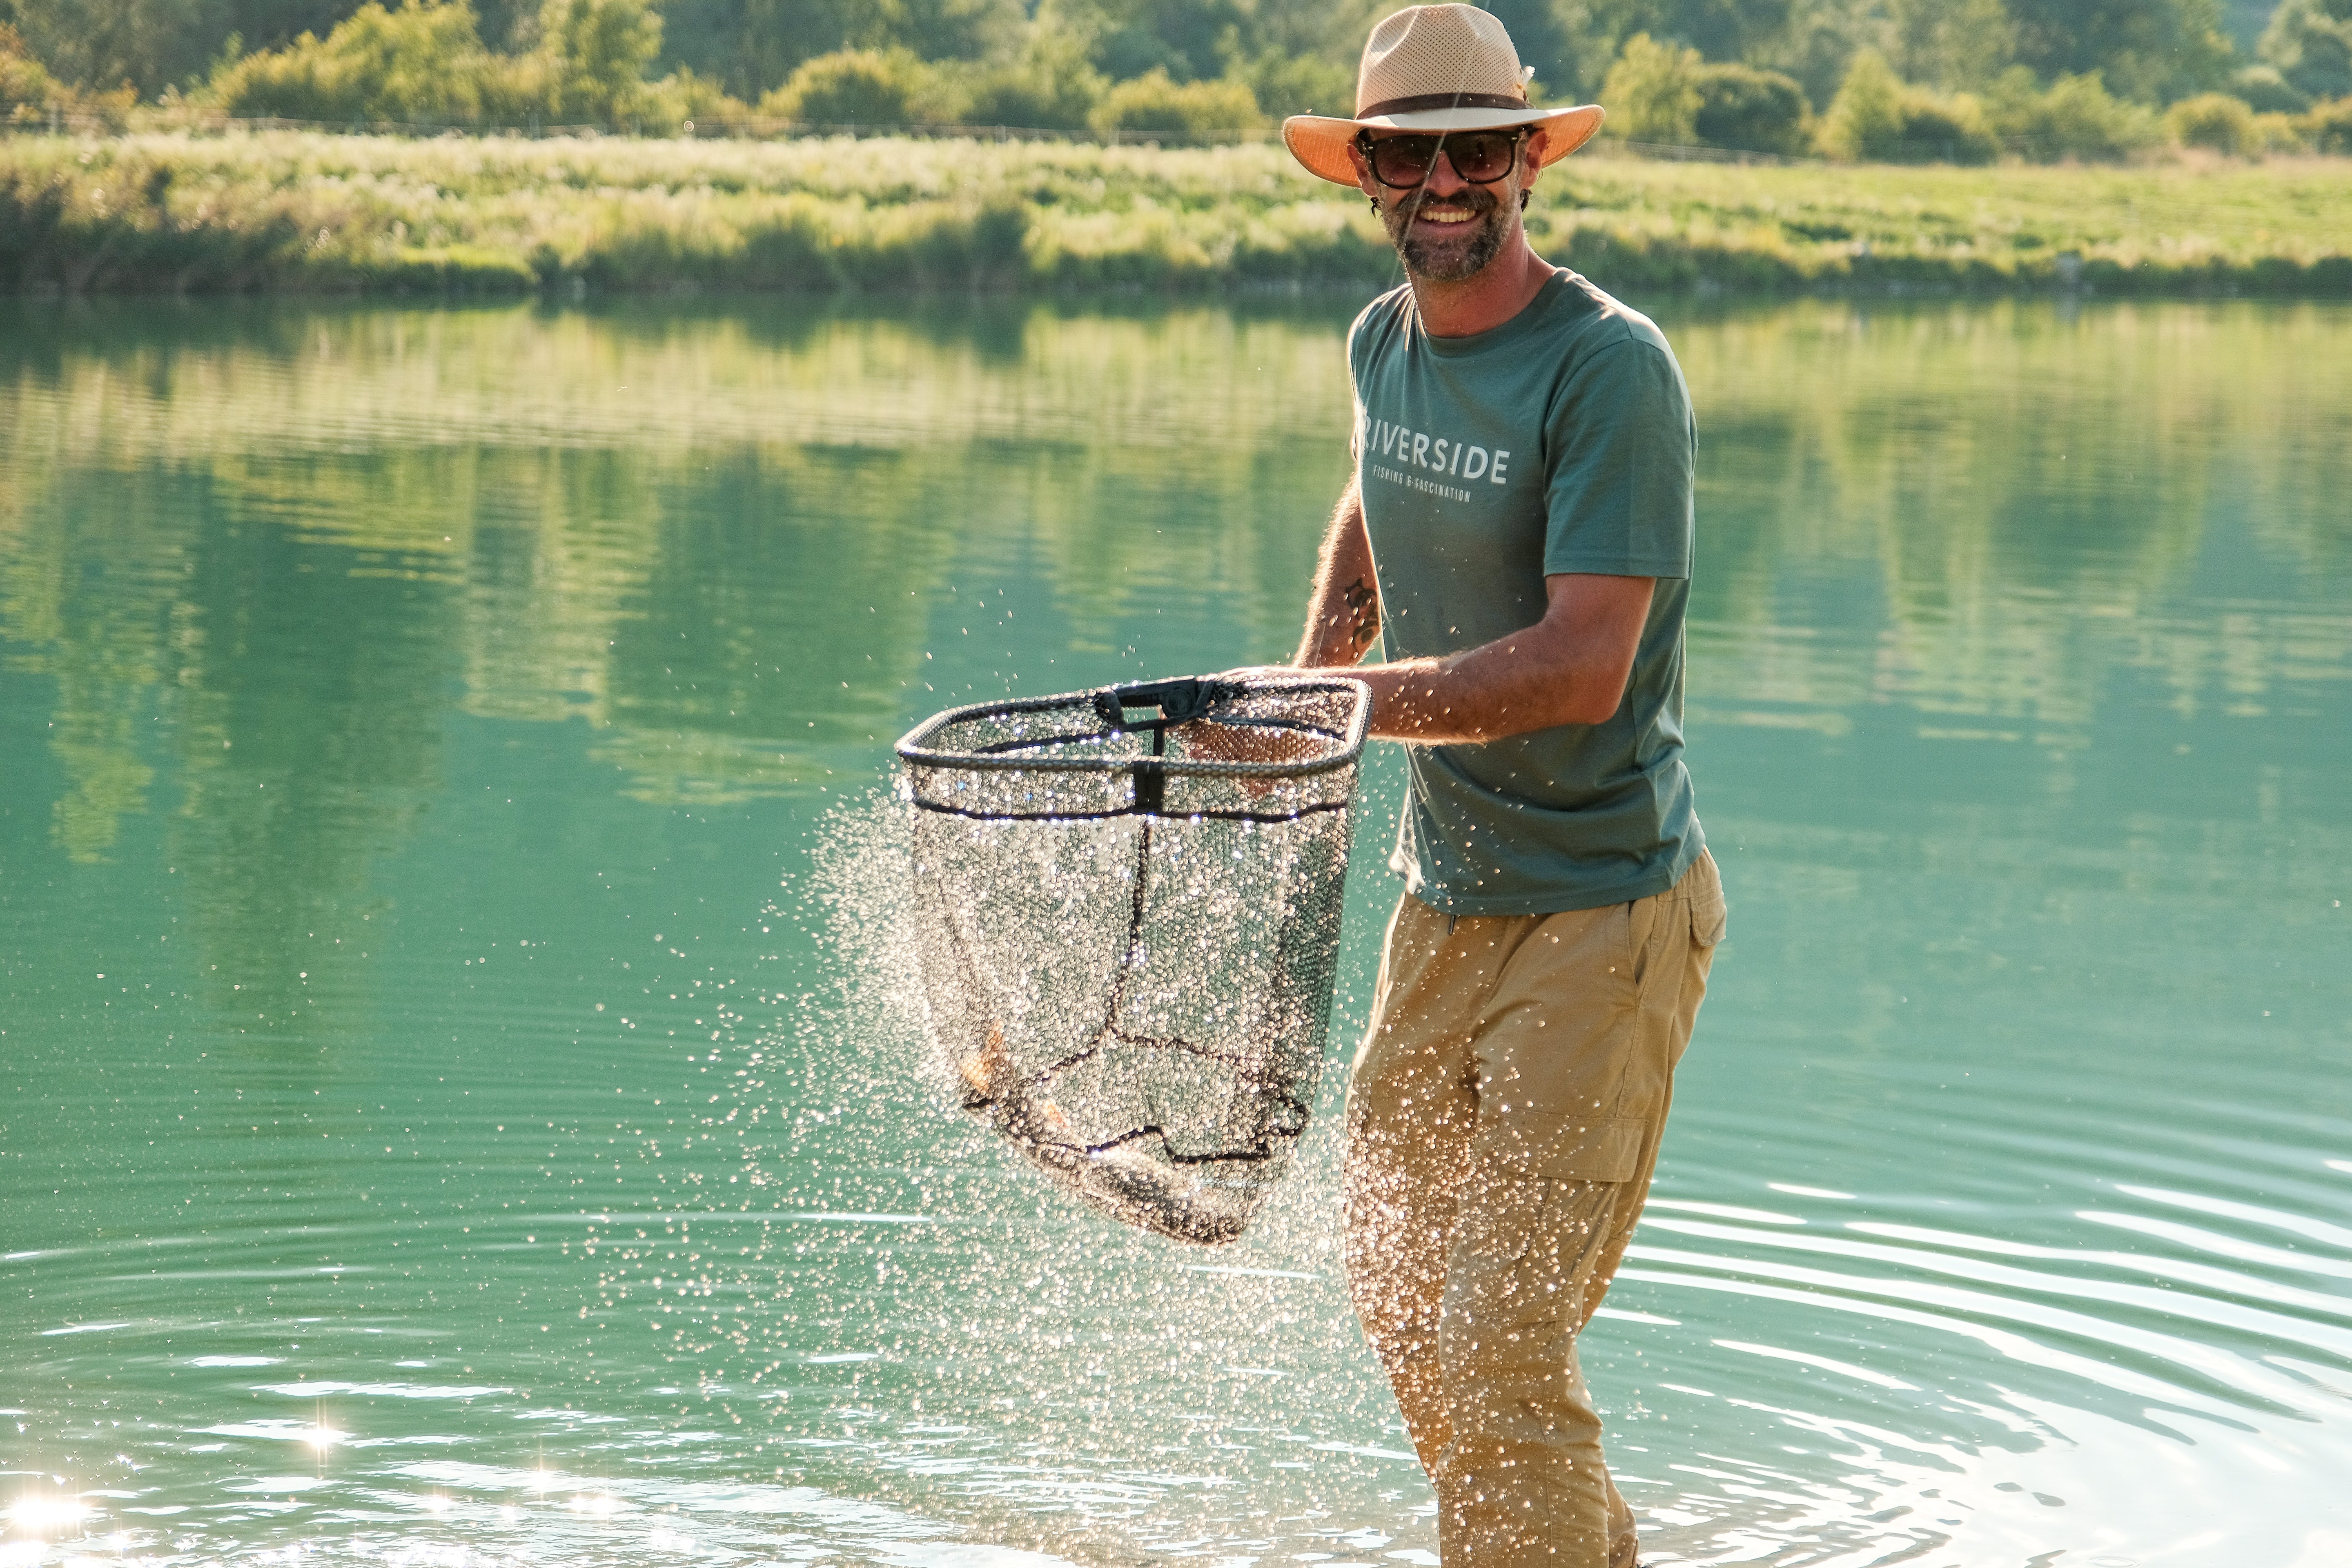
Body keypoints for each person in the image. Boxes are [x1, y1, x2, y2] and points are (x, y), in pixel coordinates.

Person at [1267, 8, 1728, 1565]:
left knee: (1502, 1346)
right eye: (1412, 154)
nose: (1447, 181)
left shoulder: (1609, 372)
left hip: (1604, 915)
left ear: (1530, 159)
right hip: (1446, 901)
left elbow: (1582, 666)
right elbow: (1371, 496)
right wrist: (1318, 658)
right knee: (1407, 1303)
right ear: (1369, 175)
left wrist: (1324, 711)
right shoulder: (1382, 341)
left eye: (1480, 149)